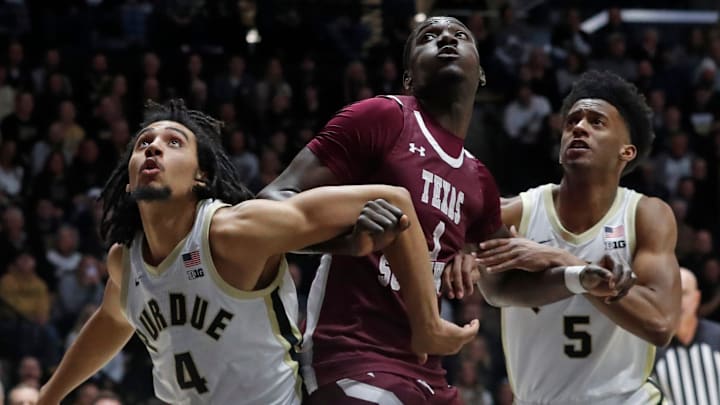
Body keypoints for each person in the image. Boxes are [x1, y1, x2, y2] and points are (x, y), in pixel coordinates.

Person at [38, 99, 477, 405]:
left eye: (174, 142)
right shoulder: (124, 260)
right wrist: (51, 395)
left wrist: (428, 325)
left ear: (200, 178)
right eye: (142, 144)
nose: (152, 146)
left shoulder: (234, 231)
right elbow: (115, 319)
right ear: (130, 180)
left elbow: (398, 200)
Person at [259, 16, 594, 404]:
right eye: (428, 37)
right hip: (351, 353)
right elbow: (270, 203)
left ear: (481, 74)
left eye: (460, 35)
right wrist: (347, 239)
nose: (446, 39)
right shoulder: (383, 117)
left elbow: (501, 288)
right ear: (407, 79)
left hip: (426, 370)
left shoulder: (479, 179)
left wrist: (577, 275)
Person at [476, 70, 681, 404]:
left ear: (626, 152)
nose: (579, 128)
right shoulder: (516, 213)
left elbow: (659, 324)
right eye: (572, 122)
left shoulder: (645, 215)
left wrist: (563, 259)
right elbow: (496, 293)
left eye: (596, 122)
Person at [654, 268, 720, 405]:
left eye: (683, 294)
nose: (678, 301)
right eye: (671, 294)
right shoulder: (651, 349)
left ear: (697, 298)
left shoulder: (717, 337)